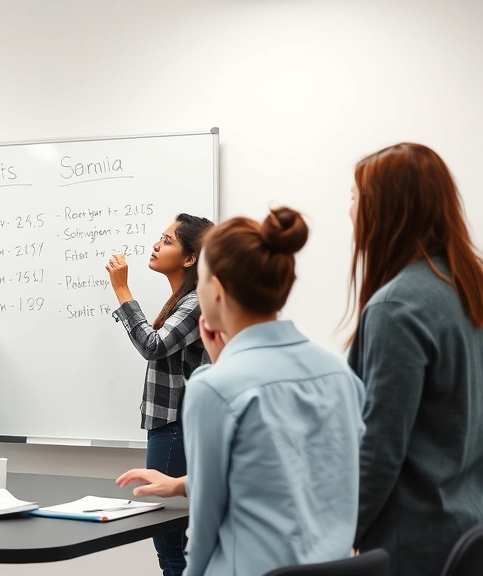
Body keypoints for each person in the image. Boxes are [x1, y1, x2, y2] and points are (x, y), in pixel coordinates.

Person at [180, 207, 365, 576]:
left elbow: (204, 525)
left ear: (215, 290)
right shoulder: (340, 374)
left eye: (199, 279)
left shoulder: (212, 388)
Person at [347, 143, 483, 576]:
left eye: (354, 199)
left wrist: (340, 532)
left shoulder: (398, 306)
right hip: (468, 531)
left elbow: (379, 448)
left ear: (384, 209)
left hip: (412, 544)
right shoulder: (468, 288)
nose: (349, 212)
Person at [104, 213, 213, 576]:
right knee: (172, 549)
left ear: (189, 258)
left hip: (176, 426)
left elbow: (153, 346)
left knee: (172, 548)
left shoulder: (196, 301)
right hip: (170, 427)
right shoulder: (184, 299)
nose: (155, 244)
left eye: (167, 240)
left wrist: (122, 290)